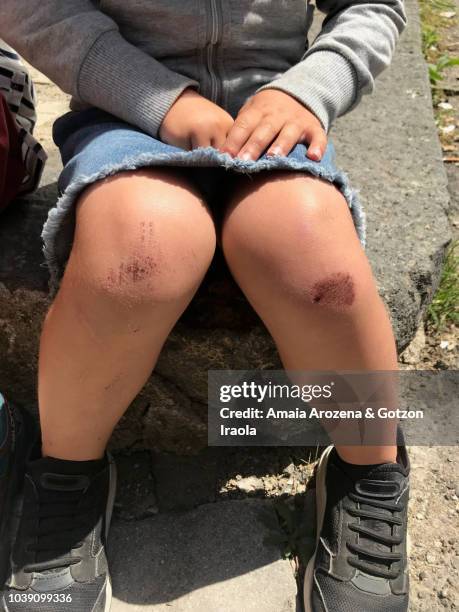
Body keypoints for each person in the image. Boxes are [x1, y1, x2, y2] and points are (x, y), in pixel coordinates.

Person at [0, 2, 410, 611]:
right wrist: (159, 100)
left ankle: (370, 471)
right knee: (137, 255)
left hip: (275, 119)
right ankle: (66, 475)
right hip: (124, 115)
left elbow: (372, 6)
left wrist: (312, 87)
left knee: (316, 261)